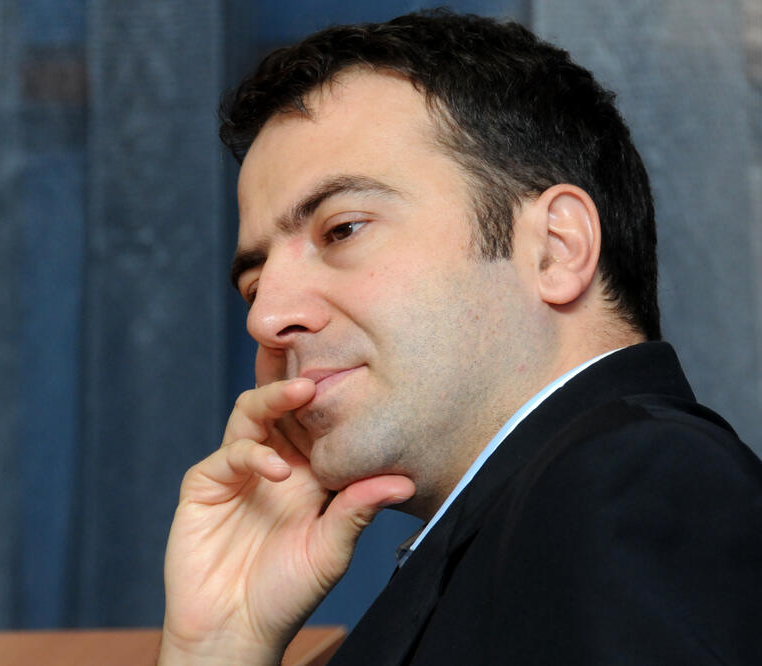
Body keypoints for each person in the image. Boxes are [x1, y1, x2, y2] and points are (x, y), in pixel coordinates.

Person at [158, 9, 762, 665]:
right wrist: (221, 644)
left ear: (555, 248)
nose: (265, 318)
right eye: (253, 287)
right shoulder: (522, 528)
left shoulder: (634, 478)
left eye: (342, 229)